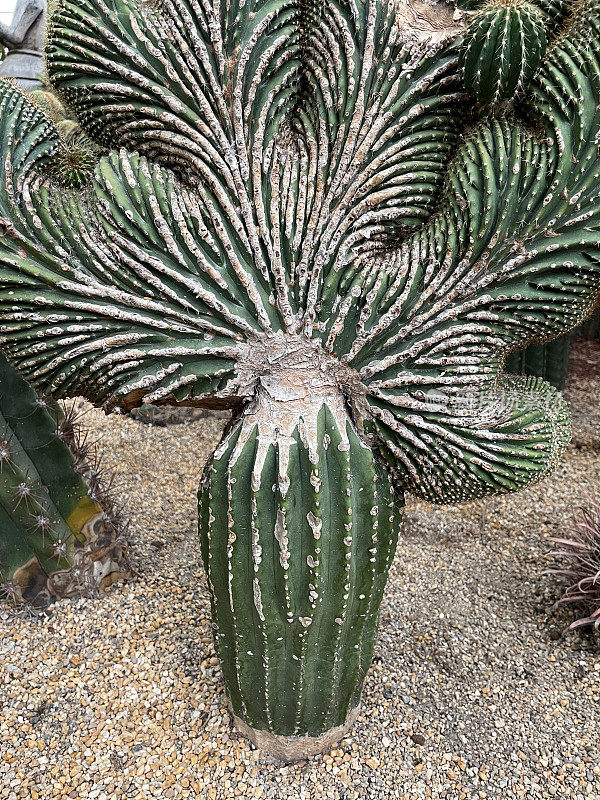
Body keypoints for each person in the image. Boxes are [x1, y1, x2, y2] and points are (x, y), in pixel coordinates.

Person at [0, 0, 46, 90]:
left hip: (24, 70)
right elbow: (14, 44)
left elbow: (16, 37)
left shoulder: (33, 1)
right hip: (21, 67)